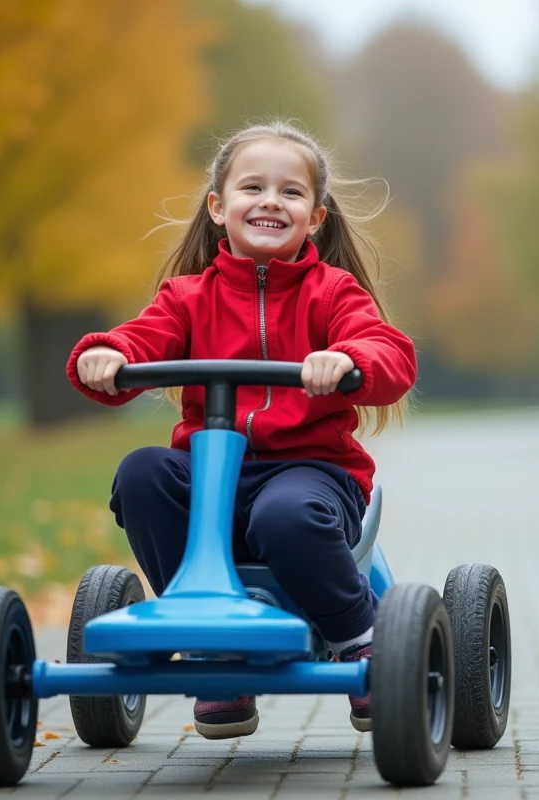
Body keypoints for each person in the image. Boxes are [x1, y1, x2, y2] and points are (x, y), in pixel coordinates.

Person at [66, 121, 416, 739]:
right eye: (252, 186)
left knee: (286, 514)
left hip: (312, 473)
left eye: (291, 192)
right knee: (144, 473)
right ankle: (211, 644)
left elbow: (388, 351)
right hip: (210, 483)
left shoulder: (332, 293)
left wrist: (351, 361)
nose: (271, 201)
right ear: (218, 206)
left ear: (316, 218)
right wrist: (108, 353)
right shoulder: (186, 298)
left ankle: (358, 637)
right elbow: (141, 339)